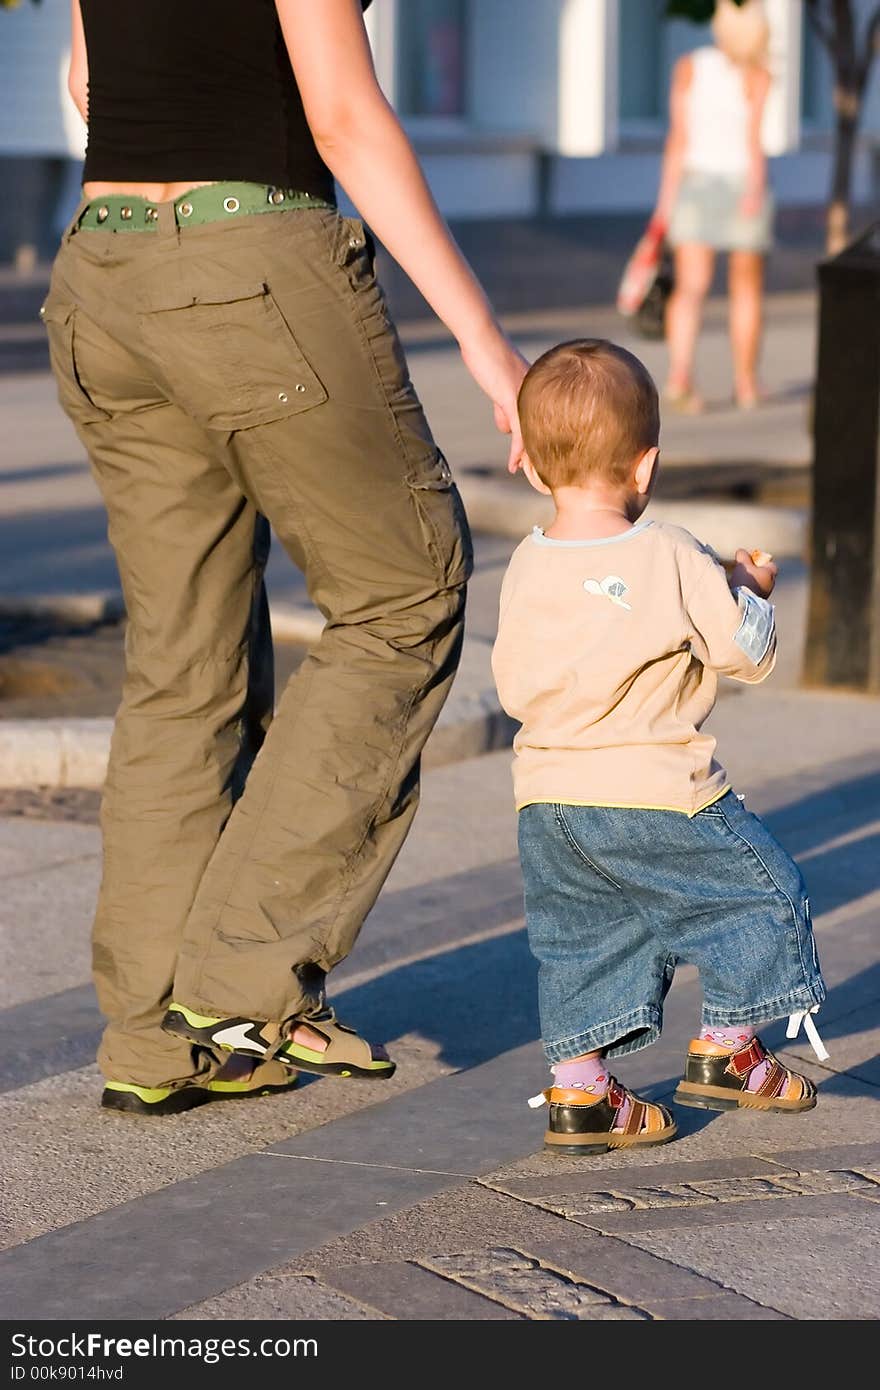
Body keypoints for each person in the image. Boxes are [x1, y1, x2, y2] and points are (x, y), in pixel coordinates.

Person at [47, 0, 527, 1115]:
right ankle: (245, 976)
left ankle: (151, 1038)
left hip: (104, 273)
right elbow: (344, 116)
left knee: (181, 663)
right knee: (404, 591)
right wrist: (482, 337)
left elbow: (84, 80)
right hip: (249, 259)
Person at [491, 339, 826, 1155]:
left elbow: (510, 687)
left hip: (550, 802)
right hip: (660, 789)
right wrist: (748, 593)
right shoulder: (671, 550)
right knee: (758, 897)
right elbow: (745, 654)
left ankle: (582, 1095)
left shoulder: (526, 563)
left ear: (533, 469)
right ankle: (729, 1048)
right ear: (645, 469)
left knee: (582, 939)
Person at [651, 0, 773, 413]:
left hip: (696, 184)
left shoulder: (688, 66)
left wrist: (664, 207)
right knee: (746, 290)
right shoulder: (757, 75)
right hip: (743, 186)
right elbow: (754, 143)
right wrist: (757, 191)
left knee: (689, 289)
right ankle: (746, 383)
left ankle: (680, 378)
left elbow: (678, 139)